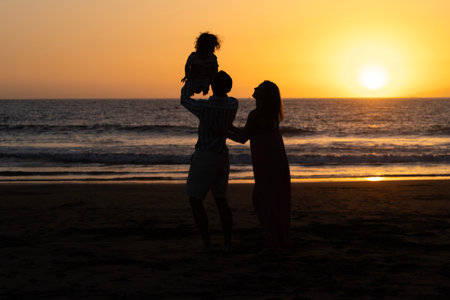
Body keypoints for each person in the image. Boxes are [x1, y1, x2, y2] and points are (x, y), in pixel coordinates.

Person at [227, 81, 291, 253]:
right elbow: (247, 132)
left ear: (263, 95)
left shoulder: (255, 115)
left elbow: (242, 137)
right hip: (276, 157)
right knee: (276, 197)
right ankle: (278, 237)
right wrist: (229, 128)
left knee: (263, 199)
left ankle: (272, 239)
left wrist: (222, 132)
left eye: (259, 87)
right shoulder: (273, 115)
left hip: (265, 160)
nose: (254, 88)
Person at [181, 70, 238, 251]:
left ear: (213, 86)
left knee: (195, 200)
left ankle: (207, 242)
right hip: (222, 156)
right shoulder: (233, 104)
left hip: (205, 155)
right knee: (221, 201)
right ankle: (227, 242)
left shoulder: (205, 107)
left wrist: (191, 82)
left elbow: (184, 100)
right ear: (229, 87)